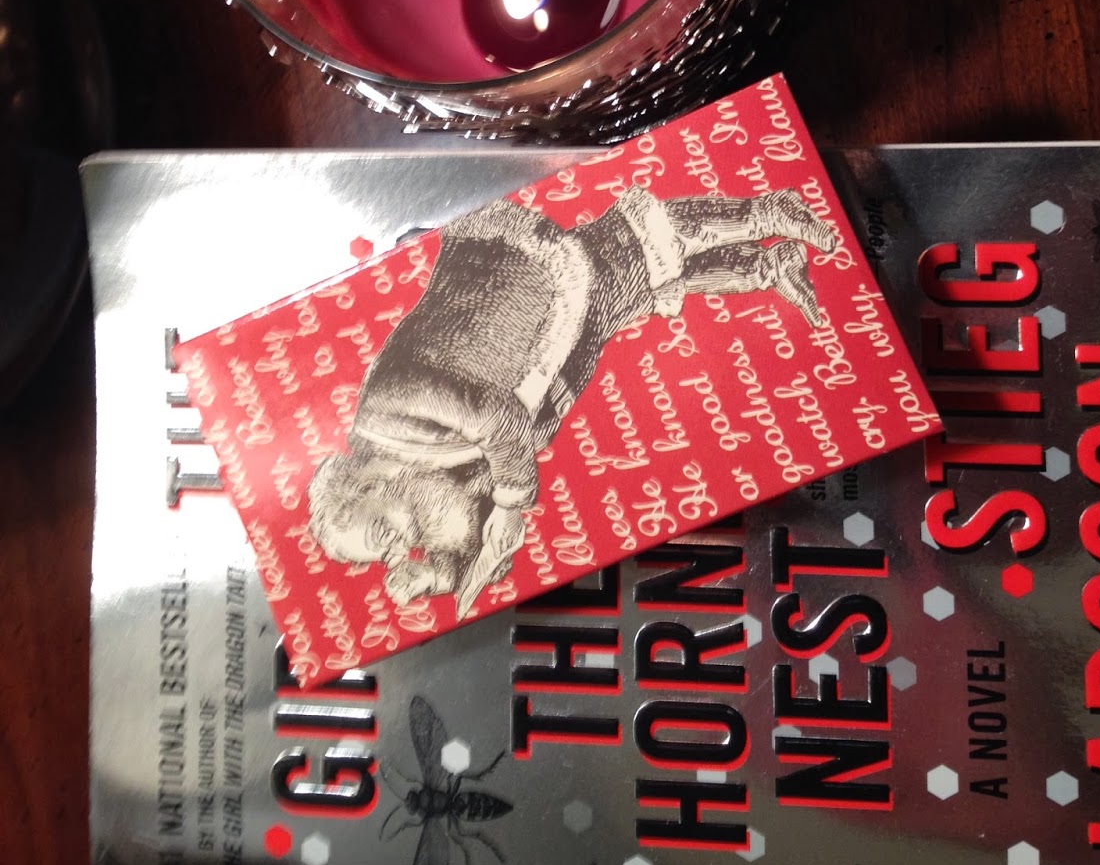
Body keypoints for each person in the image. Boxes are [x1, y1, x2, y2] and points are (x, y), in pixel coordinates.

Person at [307, 186, 837, 617]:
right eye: (387, 554)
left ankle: (769, 211)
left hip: (524, 280)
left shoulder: (388, 408)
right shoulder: (412, 466)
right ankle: (770, 266)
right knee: (637, 288)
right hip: (551, 342)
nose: (399, 549)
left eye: (383, 533)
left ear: (366, 485)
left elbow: (498, 418)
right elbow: (466, 520)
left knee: (634, 245)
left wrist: (511, 503)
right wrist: (439, 572)